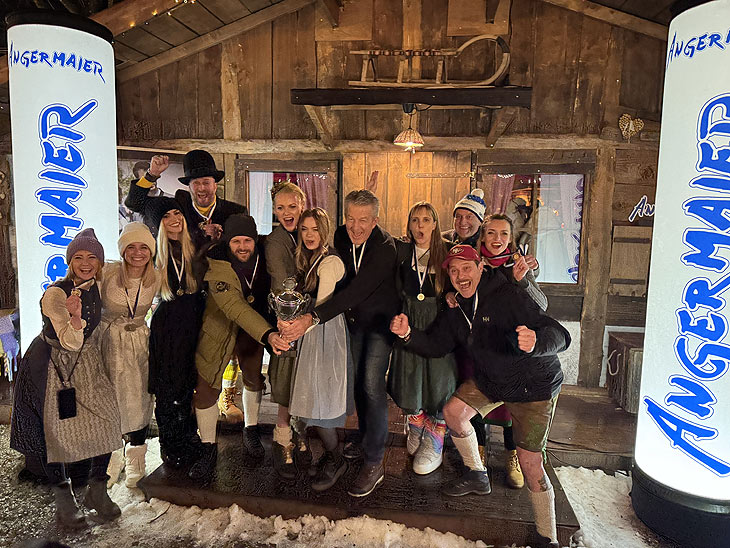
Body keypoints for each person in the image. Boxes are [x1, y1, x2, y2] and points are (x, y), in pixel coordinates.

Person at [390, 244, 569, 548]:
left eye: (467, 268)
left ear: (481, 267)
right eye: (454, 270)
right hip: (494, 379)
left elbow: (560, 334)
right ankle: (477, 474)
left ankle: (548, 536)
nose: (461, 275)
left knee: (530, 463)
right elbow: (437, 345)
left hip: (533, 383)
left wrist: (537, 341)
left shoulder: (508, 294)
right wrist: (408, 334)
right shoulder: (456, 307)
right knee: (454, 413)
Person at [279, 189, 399, 498]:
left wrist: (313, 318)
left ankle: (375, 462)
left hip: (380, 326)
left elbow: (356, 291)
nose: (356, 227)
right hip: (353, 323)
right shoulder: (341, 238)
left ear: (375, 220)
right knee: (356, 384)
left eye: (363, 220)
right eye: (350, 219)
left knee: (372, 386)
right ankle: (361, 438)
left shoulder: (384, 249)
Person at [10, 229, 122, 527]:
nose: (86, 262)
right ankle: (64, 499)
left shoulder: (97, 287)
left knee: (108, 421)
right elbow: (71, 340)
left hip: (86, 362)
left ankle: (97, 490)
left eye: (92, 257)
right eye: (79, 257)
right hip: (52, 363)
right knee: (57, 431)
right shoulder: (56, 294)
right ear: (69, 261)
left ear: (99, 262)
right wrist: (74, 316)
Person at [190, 214, 290, 481]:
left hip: (253, 328)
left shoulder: (265, 257)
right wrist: (268, 333)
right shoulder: (216, 265)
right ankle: (208, 447)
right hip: (219, 327)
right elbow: (233, 306)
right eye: (236, 241)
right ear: (227, 241)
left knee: (254, 378)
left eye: (247, 240)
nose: (242, 246)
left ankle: (251, 430)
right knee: (207, 386)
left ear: (255, 240)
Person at [284, 208, 353, 491]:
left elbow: (322, 307)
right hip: (312, 333)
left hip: (325, 333)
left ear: (324, 231)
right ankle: (331, 454)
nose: (309, 235)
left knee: (323, 400)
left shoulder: (330, 262)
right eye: (304, 230)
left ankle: (337, 458)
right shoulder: (309, 259)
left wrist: (295, 328)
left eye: (315, 229)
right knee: (314, 397)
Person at [387, 202, 457, 475]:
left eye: (426, 220)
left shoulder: (446, 252)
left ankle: (436, 432)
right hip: (409, 322)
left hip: (437, 324)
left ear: (435, 224)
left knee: (438, 378)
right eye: (415, 220)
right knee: (410, 375)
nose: (420, 226)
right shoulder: (402, 252)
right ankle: (416, 422)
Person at [145, 197, 208, 468]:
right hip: (167, 327)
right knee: (167, 387)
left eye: (177, 213)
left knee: (187, 384)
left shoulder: (192, 248)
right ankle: (169, 444)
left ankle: (187, 435)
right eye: (167, 216)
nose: (174, 219)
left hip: (192, 323)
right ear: (158, 223)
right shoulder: (154, 253)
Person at [99, 222, 161, 488]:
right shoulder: (107, 273)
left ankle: (136, 458)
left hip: (139, 342)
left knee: (140, 398)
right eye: (131, 247)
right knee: (110, 399)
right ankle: (112, 458)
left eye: (144, 247)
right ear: (122, 250)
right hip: (109, 340)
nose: (138, 253)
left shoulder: (157, 276)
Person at [264, 181, 307, 479]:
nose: (286, 212)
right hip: (288, 321)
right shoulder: (277, 241)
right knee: (285, 383)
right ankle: (282, 442)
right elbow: (282, 286)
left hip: (311, 321)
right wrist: (287, 321)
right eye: (280, 208)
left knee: (303, 382)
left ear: (302, 206)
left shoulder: (309, 233)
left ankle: (297, 433)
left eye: (292, 206)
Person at [125, 151, 247, 250]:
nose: (201, 188)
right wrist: (152, 175)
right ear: (188, 187)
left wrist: (222, 237)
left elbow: (244, 250)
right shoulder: (177, 207)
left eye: (206, 182)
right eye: (196, 183)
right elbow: (134, 203)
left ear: (215, 185)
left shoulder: (236, 212)